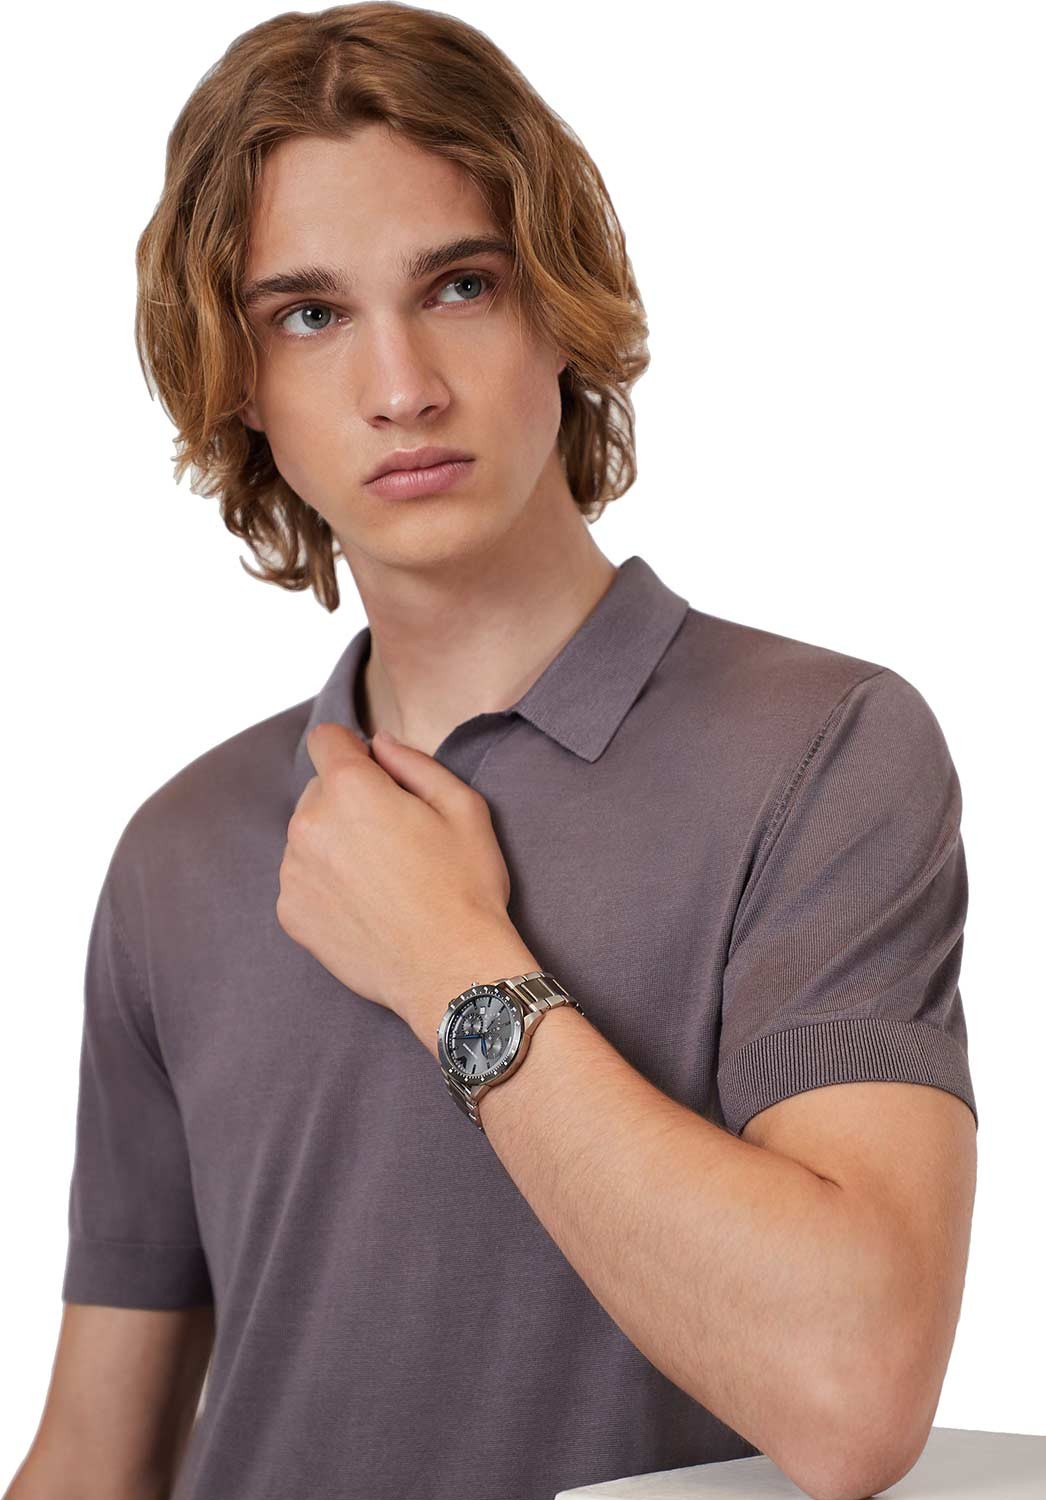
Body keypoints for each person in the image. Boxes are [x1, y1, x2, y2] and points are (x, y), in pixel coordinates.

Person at [7, 6, 978, 1500]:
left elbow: (853, 1396)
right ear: (239, 382)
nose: (401, 386)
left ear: (558, 308)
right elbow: (92, 1457)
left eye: (459, 285)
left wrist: (452, 966)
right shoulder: (181, 849)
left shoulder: (818, 752)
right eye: (308, 315)